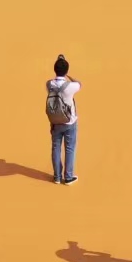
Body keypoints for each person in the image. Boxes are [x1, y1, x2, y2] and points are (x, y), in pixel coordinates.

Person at [45, 53, 80, 184]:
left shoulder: (49, 84)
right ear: (66, 70)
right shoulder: (70, 86)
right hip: (69, 121)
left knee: (56, 148)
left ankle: (57, 177)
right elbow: (79, 83)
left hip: (55, 121)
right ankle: (68, 177)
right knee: (70, 149)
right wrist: (68, 75)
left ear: (55, 69)